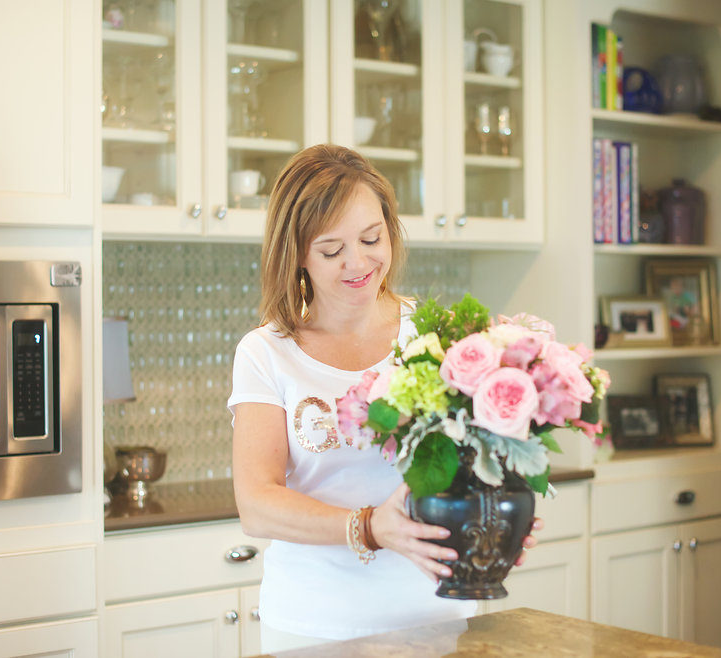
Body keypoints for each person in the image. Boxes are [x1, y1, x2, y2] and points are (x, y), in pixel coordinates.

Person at [227, 144, 542, 651]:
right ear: (298, 254)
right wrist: (371, 528)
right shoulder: (266, 353)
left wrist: (498, 512)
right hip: (313, 627)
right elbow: (257, 505)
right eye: (331, 250)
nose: (358, 262)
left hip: (440, 617)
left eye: (371, 238)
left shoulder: (436, 336)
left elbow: (474, 460)